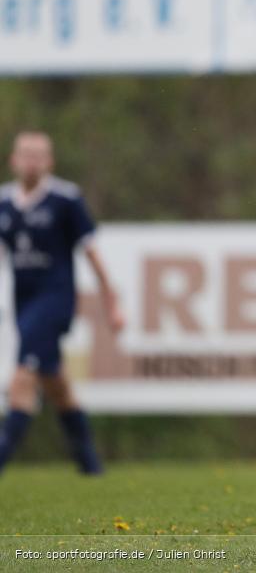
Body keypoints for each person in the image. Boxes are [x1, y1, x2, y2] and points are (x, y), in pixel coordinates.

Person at [0, 130, 123, 474]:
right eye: (26, 153)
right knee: (56, 383)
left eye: (39, 155)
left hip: (55, 298)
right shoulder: (5, 202)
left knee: (22, 379)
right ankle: (90, 463)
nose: (32, 161)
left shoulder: (65, 199)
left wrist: (111, 301)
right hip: (22, 302)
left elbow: (92, 253)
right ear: (13, 159)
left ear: (50, 162)